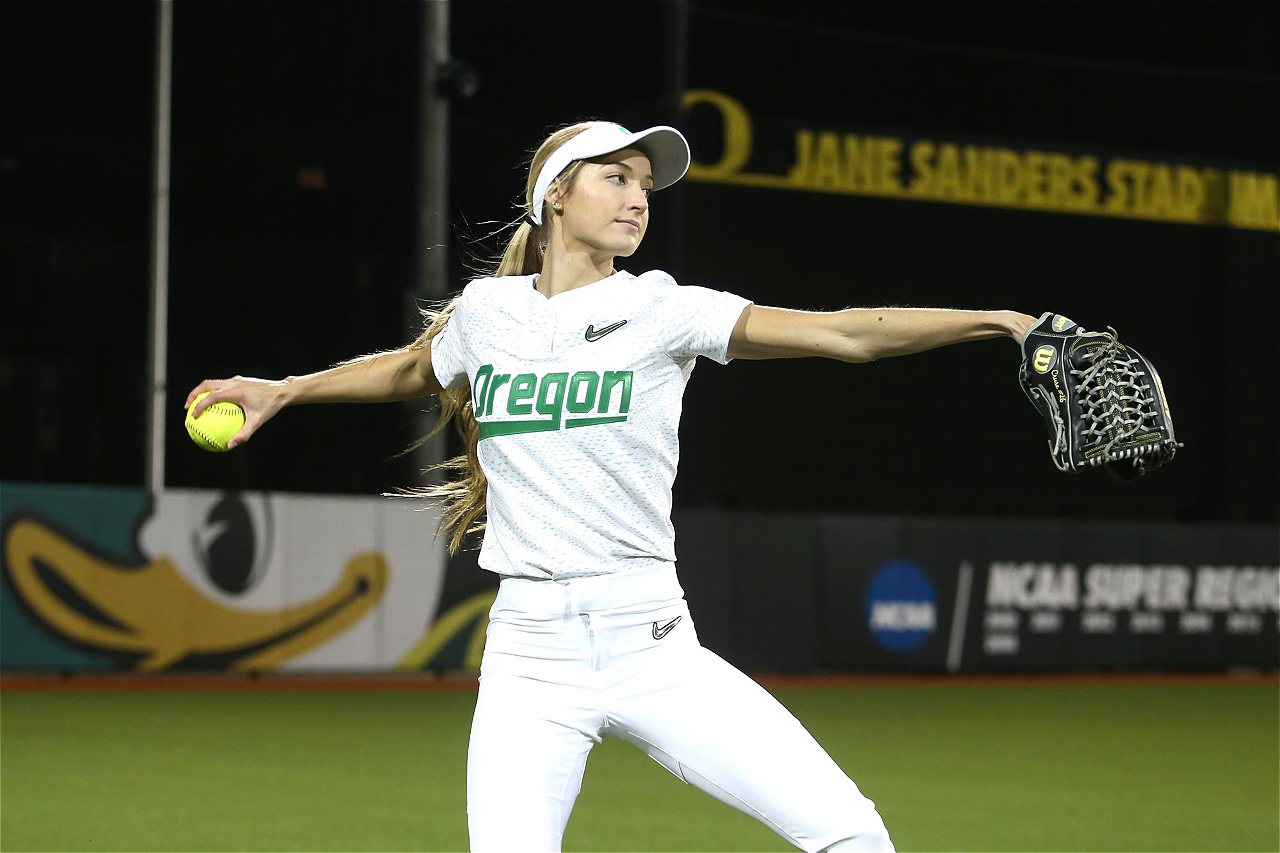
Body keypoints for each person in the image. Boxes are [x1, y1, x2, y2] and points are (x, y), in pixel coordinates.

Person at [187, 120, 1039, 853]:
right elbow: (414, 365)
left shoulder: (664, 308)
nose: (638, 196)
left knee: (852, 833)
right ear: (555, 194)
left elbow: (843, 335)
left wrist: (1000, 322)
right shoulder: (487, 314)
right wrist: (284, 389)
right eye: (616, 176)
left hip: (652, 643)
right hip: (528, 658)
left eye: (645, 184)